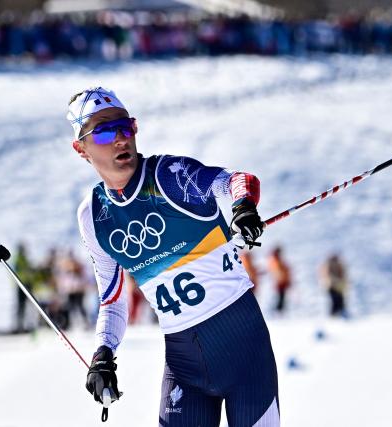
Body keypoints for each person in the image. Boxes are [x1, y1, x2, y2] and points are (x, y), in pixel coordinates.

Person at [68, 87, 279, 426]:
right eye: (106, 130)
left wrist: (242, 206)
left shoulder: (169, 176)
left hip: (244, 349)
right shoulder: (94, 217)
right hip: (183, 364)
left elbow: (238, 181)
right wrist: (103, 353)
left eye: (127, 126)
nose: (121, 138)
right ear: (81, 148)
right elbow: (112, 299)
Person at [267, 246, 291, 313]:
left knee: (281, 296)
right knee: (280, 296)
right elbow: (278, 271)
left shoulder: (276, 260)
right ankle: (278, 309)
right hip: (280, 280)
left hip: (281, 280)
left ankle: (279, 309)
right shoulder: (276, 260)